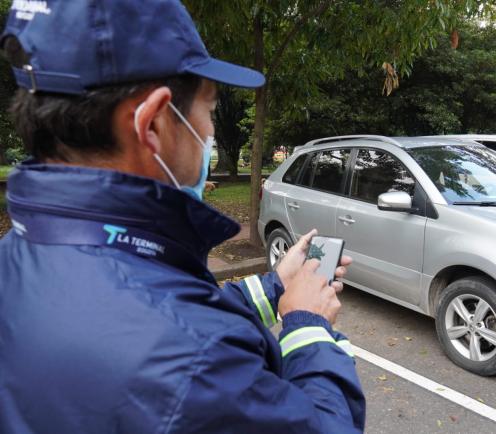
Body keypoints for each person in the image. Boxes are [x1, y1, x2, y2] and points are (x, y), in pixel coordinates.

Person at [0, 1, 365, 433]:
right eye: (209, 110)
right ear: (153, 123)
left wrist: (274, 288)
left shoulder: (23, 252)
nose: (210, 133)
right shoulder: (196, 361)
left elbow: (157, 304)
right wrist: (309, 326)